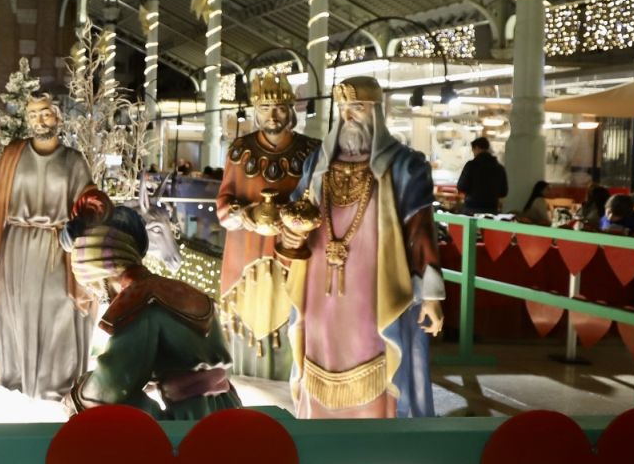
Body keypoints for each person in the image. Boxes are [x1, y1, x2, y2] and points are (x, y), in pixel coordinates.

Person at [279, 76, 445, 419]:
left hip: (376, 287)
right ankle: (317, 424)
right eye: (343, 109)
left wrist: (431, 296)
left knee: (375, 346)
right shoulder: (316, 164)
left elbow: (421, 230)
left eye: (357, 108)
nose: (349, 116)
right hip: (318, 288)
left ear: (375, 112)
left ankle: (380, 433)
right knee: (317, 345)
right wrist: (289, 235)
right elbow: (294, 215)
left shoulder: (405, 165)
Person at [0, 93, 96, 400]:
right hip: (16, 247)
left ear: (57, 117)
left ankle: (55, 387)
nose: (40, 120)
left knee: (57, 309)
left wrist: (83, 222)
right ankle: (16, 384)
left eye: (45, 113)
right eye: (34, 114)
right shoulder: (13, 155)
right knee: (15, 311)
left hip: (57, 248)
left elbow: (90, 199)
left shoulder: (73, 161)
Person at [67, 188, 238, 421]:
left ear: (103, 274)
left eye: (93, 285)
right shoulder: (178, 290)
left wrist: (77, 393)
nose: (94, 293)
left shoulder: (139, 302)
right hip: (227, 407)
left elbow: (109, 387)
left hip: (189, 423)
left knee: (103, 405)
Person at [215, 71, 321, 374]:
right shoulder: (239, 150)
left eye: (278, 109)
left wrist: (296, 222)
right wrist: (244, 215)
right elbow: (224, 200)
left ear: (290, 111)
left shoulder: (312, 150)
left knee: (293, 320)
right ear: (255, 112)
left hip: (292, 254)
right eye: (264, 108)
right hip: (246, 254)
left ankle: (294, 379)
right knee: (244, 322)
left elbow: (317, 202)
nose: (272, 116)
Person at [457, 136, 508, 214]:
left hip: (471, 208)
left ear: (477, 148)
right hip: (491, 209)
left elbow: (461, 186)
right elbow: (503, 192)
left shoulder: (471, 165)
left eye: (473, 150)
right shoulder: (499, 167)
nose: (473, 153)